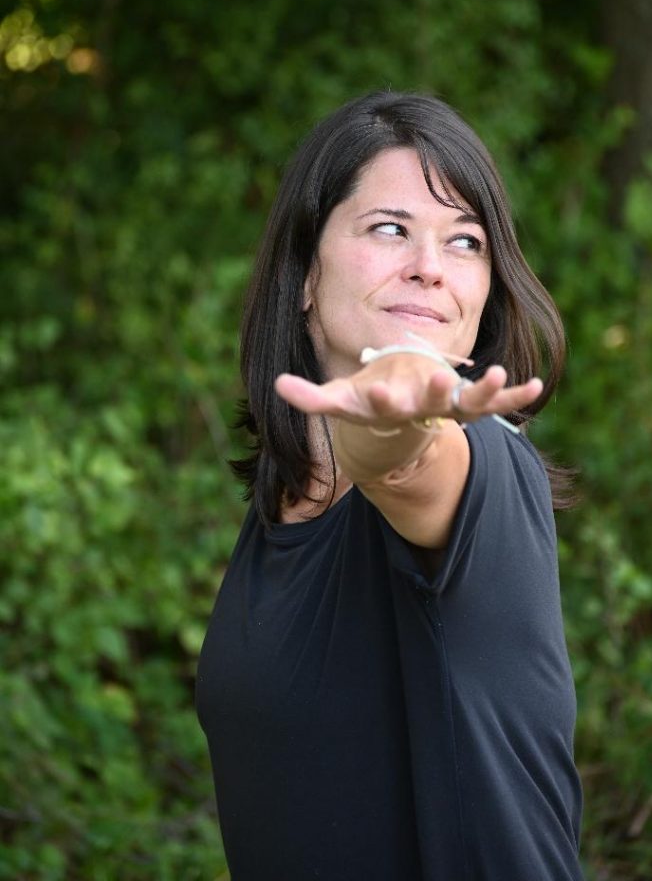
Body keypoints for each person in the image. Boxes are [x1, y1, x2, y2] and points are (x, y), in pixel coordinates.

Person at [196, 92, 585, 881]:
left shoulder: (479, 467)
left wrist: (400, 411)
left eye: (464, 240)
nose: (429, 267)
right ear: (304, 275)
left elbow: (403, 459)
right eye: (388, 228)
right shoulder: (287, 502)